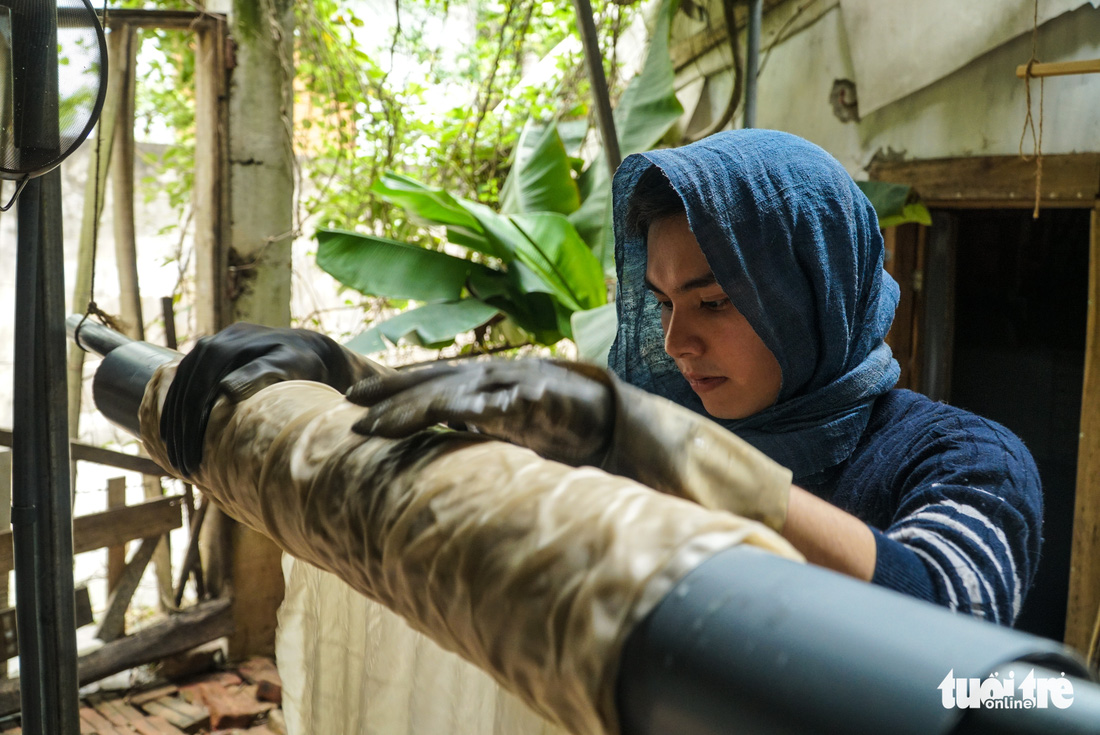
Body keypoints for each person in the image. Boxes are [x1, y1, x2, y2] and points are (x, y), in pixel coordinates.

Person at [161, 130, 1041, 627]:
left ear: (811, 293)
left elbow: (944, 626)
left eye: (715, 301)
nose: (678, 342)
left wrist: (661, 447)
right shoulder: (654, 423)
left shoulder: (965, 460)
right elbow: (476, 443)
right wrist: (334, 371)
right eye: (660, 302)